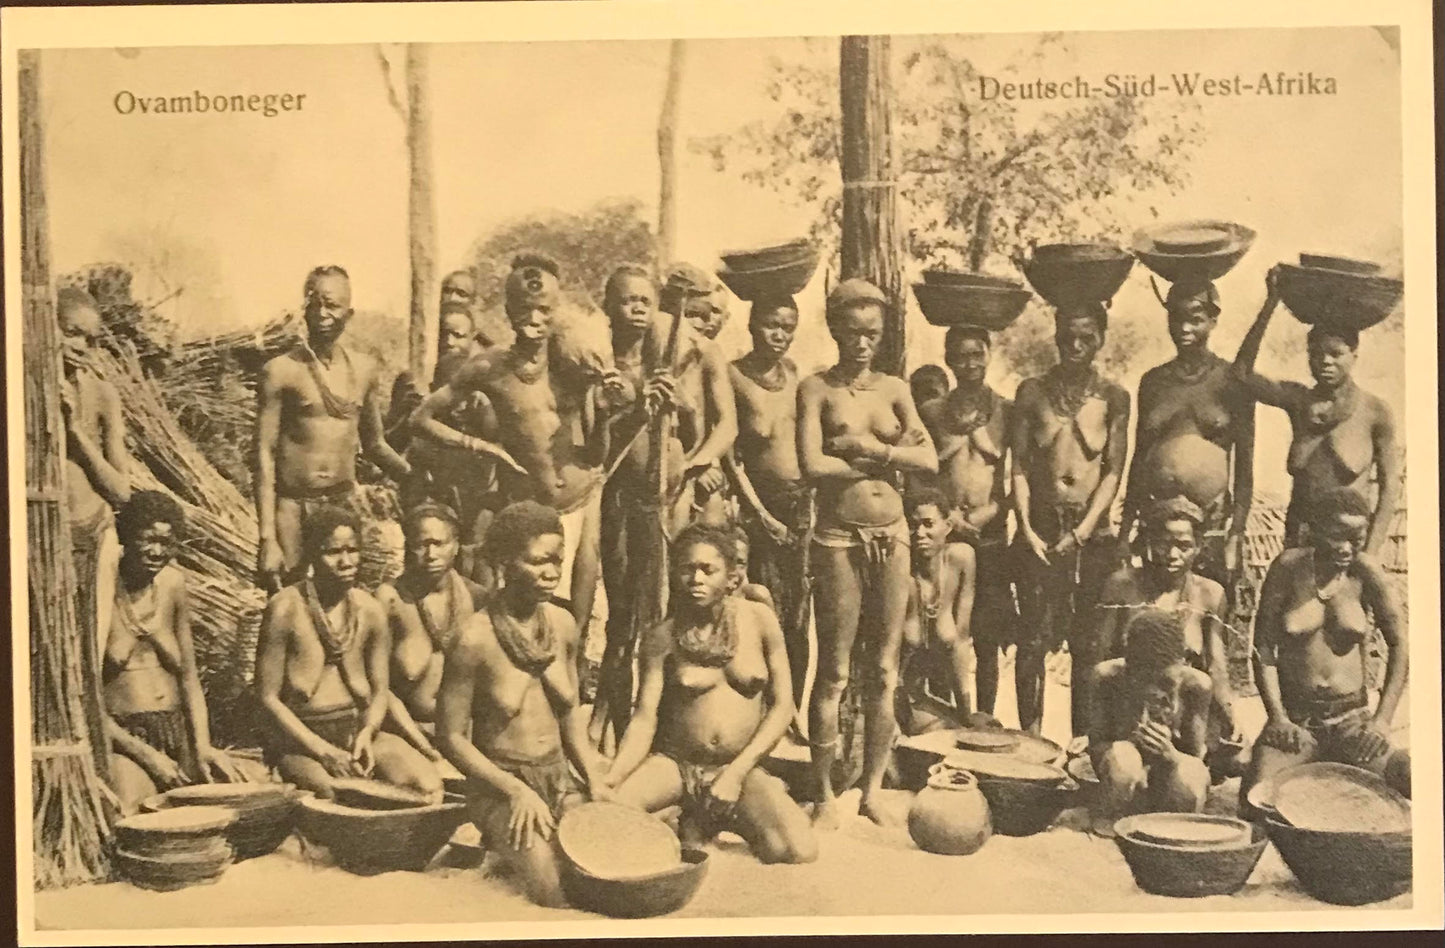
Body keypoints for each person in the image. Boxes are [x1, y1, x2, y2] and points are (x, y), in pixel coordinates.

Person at [411, 254, 629, 640]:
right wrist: (483, 448)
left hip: (581, 502)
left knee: (573, 630)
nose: (535, 318)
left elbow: (597, 452)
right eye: (525, 309)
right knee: (518, 619)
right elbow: (422, 419)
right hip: (527, 506)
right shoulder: (489, 367)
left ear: (556, 311)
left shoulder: (573, 366)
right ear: (509, 311)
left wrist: (607, 411)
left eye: (545, 310)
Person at [798, 278, 939, 827]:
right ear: (835, 329)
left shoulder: (896, 390)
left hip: (895, 533)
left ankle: (872, 792)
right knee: (833, 669)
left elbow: (927, 460)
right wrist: (884, 460)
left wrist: (867, 449)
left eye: (872, 334)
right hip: (839, 536)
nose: (862, 343)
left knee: (884, 670)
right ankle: (825, 794)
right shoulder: (816, 390)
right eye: (853, 332)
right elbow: (813, 466)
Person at [601, 524, 817, 864]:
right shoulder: (661, 637)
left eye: (707, 570)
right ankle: (681, 813)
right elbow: (644, 719)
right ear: (674, 574)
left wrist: (735, 774)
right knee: (614, 815)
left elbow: (782, 707)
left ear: (731, 577)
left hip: (738, 767)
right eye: (687, 569)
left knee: (796, 850)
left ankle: (703, 818)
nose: (696, 579)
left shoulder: (760, 620)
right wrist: (613, 778)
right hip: (676, 765)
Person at [434, 502, 606, 908]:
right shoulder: (473, 639)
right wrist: (513, 790)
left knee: (608, 865)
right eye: (538, 561)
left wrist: (594, 778)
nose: (552, 572)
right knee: (553, 894)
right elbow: (451, 737)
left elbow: (569, 715)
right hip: (500, 788)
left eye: (557, 560)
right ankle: (501, 843)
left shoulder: (563, 626)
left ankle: (508, 856)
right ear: (506, 563)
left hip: (559, 780)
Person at [595, 263, 738, 743]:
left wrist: (698, 462)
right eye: (626, 301)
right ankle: (611, 720)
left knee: (669, 612)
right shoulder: (601, 361)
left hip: (672, 498)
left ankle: (667, 726)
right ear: (608, 307)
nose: (637, 311)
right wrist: (634, 405)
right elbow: (595, 444)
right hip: (620, 496)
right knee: (622, 616)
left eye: (645, 301)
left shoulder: (692, 354)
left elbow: (724, 426)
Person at [1239, 487, 1410, 813]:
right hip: (1297, 724)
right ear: (1314, 530)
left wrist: (1382, 721)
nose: (1347, 549)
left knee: (1409, 776)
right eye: (1337, 536)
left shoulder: (1366, 573)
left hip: (1353, 723)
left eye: (1356, 538)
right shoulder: (1287, 569)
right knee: (1255, 804)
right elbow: (1263, 647)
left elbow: (1400, 644)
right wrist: (1277, 718)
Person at [254, 505, 441, 801]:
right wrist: (324, 751)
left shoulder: (369, 610)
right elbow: (267, 698)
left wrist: (368, 732)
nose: (346, 562)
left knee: (427, 788)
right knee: (337, 795)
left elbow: (380, 690)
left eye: (352, 550)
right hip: (302, 742)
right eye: (333, 552)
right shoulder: (285, 609)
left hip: (358, 733)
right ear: (313, 554)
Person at [1011, 301, 1131, 737]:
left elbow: (1113, 471)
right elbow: (1020, 465)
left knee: (1088, 645)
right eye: (1067, 337)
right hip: (1039, 530)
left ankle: (1084, 742)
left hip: (1092, 534)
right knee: (1033, 639)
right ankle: (1030, 737)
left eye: (1086, 337)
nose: (1076, 346)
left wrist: (1082, 533)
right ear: (1056, 337)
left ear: (1101, 338)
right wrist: (1025, 527)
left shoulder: (1114, 398)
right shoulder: (1031, 392)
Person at [254, 266, 411, 594]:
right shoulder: (281, 371)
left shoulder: (365, 370)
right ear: (304, 309)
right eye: (316, 304)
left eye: (333, 305)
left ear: (349, 313)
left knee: (344, 597)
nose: (323, 314)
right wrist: (267, 536)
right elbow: (264, 455)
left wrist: (415, 476)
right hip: (292, 506)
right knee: (290, 595)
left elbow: (375, 444)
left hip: (342, 502)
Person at [1232, 267, 1399, 554]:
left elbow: (1389, 489)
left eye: (1335, 353)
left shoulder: (1375, 412)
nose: (1325, 361)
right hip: (1300, 537)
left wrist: (1370, 554)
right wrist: (1271, 302)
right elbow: (1241, 374)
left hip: (1348, 546)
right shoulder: (1298, 401)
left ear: (1354, 354)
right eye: (1316, 353)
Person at [104, 492, 244, 812]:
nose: (157, 551)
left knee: (236, 803)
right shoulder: (103, 587)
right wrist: (145, 755)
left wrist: (203, 746)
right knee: (133, 811)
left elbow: (190, 679)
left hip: (178, 732)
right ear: (127, 537)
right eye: (147, 540)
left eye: (166, 543)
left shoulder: (173, 585)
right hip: (125, 739)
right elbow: (85, 698)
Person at [1097, 496, 1241, 778]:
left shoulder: (1210, 594)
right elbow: (1101, 658)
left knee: (1238, 759)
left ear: (1199, 547)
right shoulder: (1121, 586)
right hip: (1130, 706)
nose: (1172, 554)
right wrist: (1087, 728)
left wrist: (1229, 714)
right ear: (1149, 541)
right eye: (1164, 543)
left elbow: (1216, 662)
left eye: (1184, 546)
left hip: (1186, 712)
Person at [918, 325, 1017, 719]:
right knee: (942, 627)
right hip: (944, 532)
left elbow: (1020, 477)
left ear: (989, 355)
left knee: (986, 634)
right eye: (961, 356)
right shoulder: (932, 413)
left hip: (990, 534)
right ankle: (944, 712)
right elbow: (921, 474)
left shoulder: (1006, 411)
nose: (970, 364)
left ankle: (984, 716)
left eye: (977, 354)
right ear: (948, 360)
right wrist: (951, 518)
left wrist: (989, 513)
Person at [56, 286, 134, 773]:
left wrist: (76, 433)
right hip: (48, 541)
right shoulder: (24, 391)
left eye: (91, 339)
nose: (83, 348)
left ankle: (94, 771)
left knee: (89, 660)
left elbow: (122, 490)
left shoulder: (102, 395)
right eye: (72, 334)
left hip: (96, 535)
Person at [724, 293, 813, 713]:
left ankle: (790, 713)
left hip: (801, 508)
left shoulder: (795, 374)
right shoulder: (732, 376)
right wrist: (760, 515)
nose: (780, 335)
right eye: (771, 325)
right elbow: (731, 457)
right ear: (752, 324)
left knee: (798, 619)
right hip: (756, 507)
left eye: (788, 327)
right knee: (761, 611)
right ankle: (755, 711)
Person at [375, 502, 488, 766]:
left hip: (467, 734)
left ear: (457, 546)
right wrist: (422, 744)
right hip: (407, 732)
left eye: (439, 543)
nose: (430, 554)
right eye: (421, 544)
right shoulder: (390, 601)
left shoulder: (476, 597)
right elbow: (376, 686)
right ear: (407, 546)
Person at [1086, 608, 1213, 836]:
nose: (1154, 688)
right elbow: (1096, 746)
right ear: (1129, 665)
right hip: (1127, 775)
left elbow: (1195, 756)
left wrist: (1170, 754)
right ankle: (1114, 821)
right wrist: (1128, 743)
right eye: (1144, 679)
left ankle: (1171, 827)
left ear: (1182, 661)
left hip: (1168, 771)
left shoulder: (1197, 686)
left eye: (1165, 681)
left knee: (1192, 780)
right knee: (1123, 761)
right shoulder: (1106, 677)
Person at [899, 485, 978, 728]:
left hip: (925, 698)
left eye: (928, 524)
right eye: (913, 525)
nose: (919, 533)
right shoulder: (901, 572)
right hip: (897, 694)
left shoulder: (961, 559)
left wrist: (966, 715)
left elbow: (960, 641)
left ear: (948, 526)